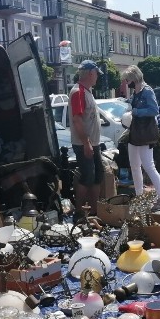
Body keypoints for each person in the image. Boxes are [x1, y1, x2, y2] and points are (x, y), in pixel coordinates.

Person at [120, 65, 160, 207]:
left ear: (134, 78)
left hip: (145, 134)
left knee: (148, 166)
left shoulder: (147, 91)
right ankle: (139, 196)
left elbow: (154, 110)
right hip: (135, 133)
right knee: (135, 166)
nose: (127, 82)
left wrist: (136, 112)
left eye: (128, 79)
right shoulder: (135, 93)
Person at [69, 59, 104, 217]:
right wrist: (86, 143)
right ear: (91, 73)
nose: (97, 77)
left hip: (93, 143)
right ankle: (79, 211)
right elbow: (77, 119)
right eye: (96, 74)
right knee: (87, 177)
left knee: (97, 176)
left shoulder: (87, 91)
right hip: (84, 143)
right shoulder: (79, 92)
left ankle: (94, 211)